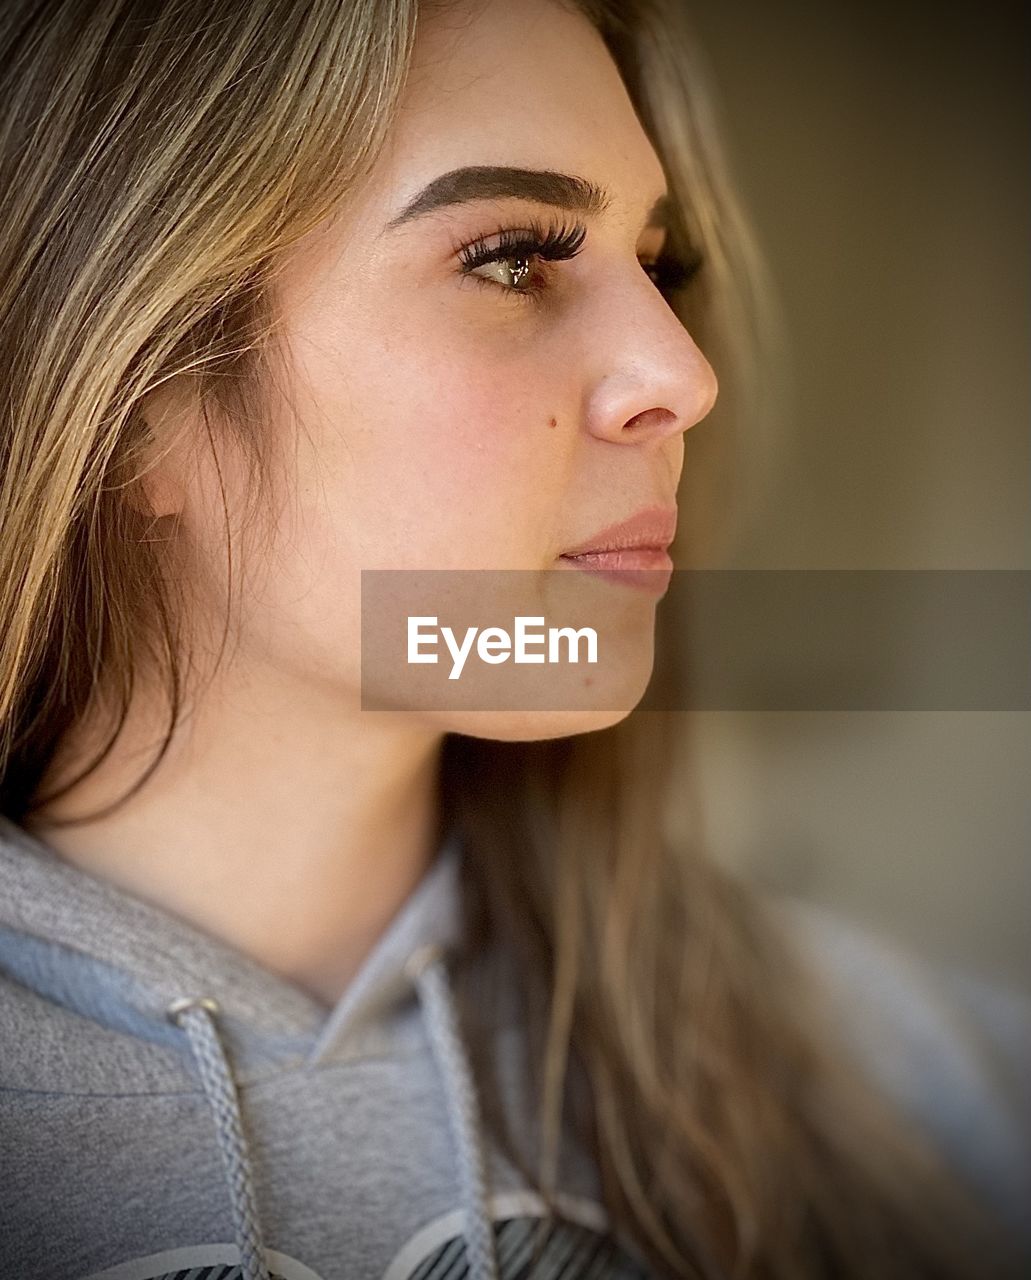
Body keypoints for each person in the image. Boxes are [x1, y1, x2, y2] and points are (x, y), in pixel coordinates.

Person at [0, 1, 1027, 1278]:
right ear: (144, 397)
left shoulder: (865, 1080)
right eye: (512, 259)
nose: (682, 372)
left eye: (658, 266)